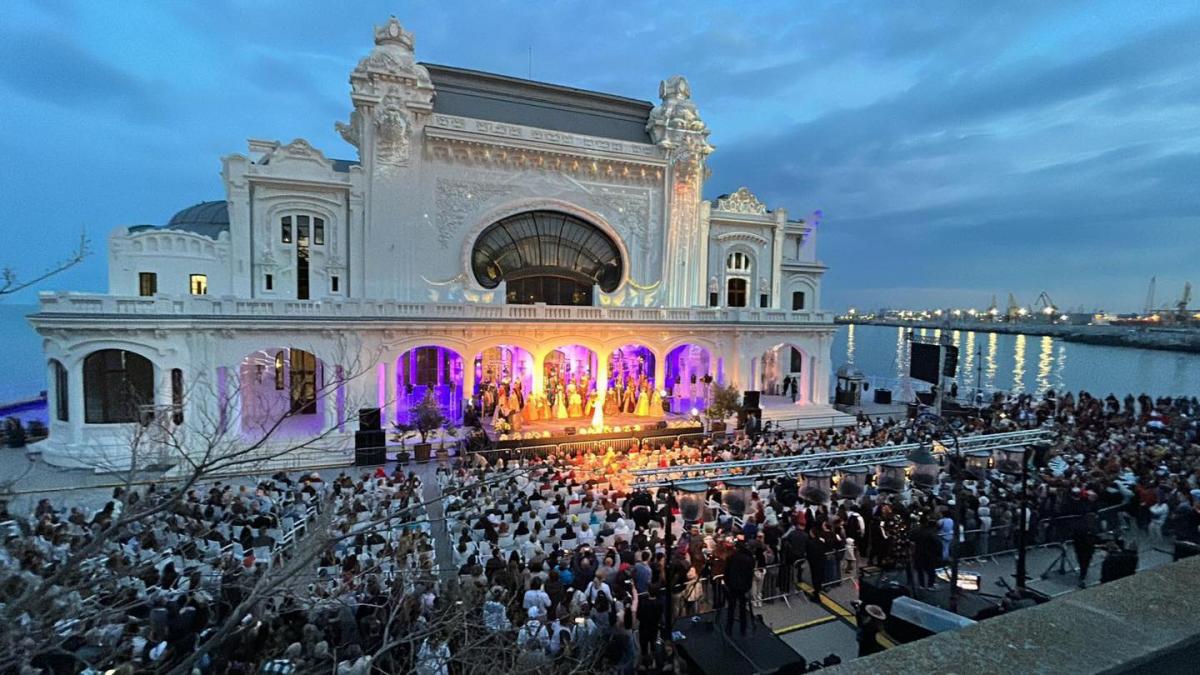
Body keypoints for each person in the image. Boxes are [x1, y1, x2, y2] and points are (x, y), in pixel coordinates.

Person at [723, 539, 755, 635]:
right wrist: (748, 586)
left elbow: (727, 572)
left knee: (731, 608)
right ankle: (743, 629)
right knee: (742, 608)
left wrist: (727, 583)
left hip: (733, 586)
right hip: (743, 587)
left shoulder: (731, 558)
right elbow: (750, 574)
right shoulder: (749, 559)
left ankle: (729, 628)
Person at [912, 518, 941, 591]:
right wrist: (938, 553)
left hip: (919, 552)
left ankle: (921, 584)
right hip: (929, 553)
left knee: (920, 570)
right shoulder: (932, 533)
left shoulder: (917, 531)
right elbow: (937, 544)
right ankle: (930, 585)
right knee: (931, 570)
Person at [1072, 512, 1098, 588]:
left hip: (1085, 548)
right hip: (1083, 548)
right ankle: (1083, 574)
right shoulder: (1082, 528)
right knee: (1084, 562)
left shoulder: (1089, 526)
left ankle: (1083, 573)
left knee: (1084, 562)